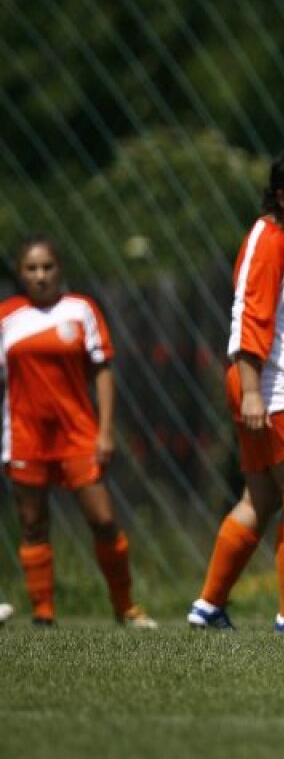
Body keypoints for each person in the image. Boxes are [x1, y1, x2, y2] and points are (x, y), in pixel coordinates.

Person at [187, 145, 284, 635]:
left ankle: (209, 607)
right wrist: (253, 389)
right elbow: (249, 315)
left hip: (276, 385)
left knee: (259, 495)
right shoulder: (270, 240)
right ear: (282, 197)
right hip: (276, 387)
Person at [0, 234, 157, 628]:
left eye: (47, 267)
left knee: (103, 519)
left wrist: (105, 432)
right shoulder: (7, 317)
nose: (40, 276)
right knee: (33, 523)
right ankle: (43, 614)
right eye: (31, 269)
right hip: (24, 434)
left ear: (60, 269)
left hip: (78, 433)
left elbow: (103, 370)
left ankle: (126, 607)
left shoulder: (81, 310)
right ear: (20, 274)